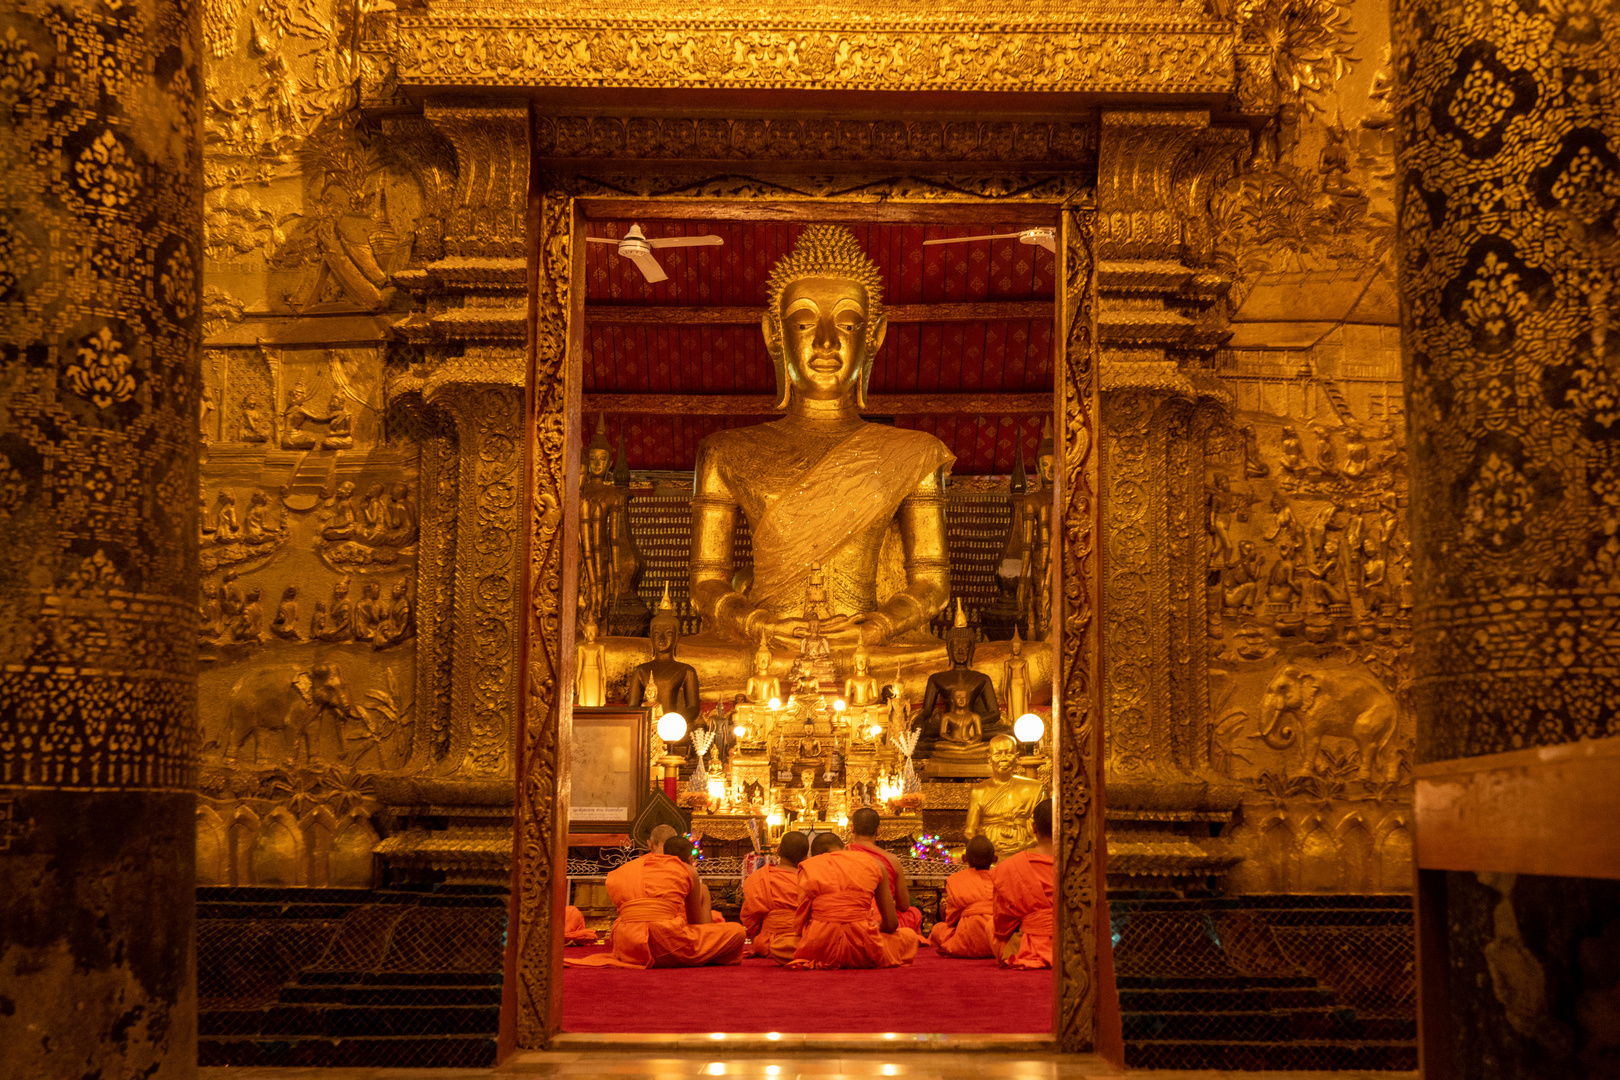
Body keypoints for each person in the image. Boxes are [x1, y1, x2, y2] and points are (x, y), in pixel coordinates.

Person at [563, 827, 744, 969]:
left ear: (650, 845)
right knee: (737, 931)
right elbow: (698, 924)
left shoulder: (629, 868)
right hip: (669, 942)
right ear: (690, 857)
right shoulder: (688, 870)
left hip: (628, 946)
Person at [776, 832, 918, 969]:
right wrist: (876, 927)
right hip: (865, 945)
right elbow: (892, 924)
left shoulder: (810, 866)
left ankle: (820, 953)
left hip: (821, 947)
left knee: (777, 945)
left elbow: (802, 922)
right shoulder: (875, 864)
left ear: (815, 856)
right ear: (845, 848)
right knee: (909, 937)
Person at [991, 798, 1055, 969]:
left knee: (989, 926)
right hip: (1077, 943)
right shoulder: (1083, 862)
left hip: (1029, 943)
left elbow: (1001, 922)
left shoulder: (1011, 866)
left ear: (1033, 827)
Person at [846, 807, 922, 934]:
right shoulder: (892, 859)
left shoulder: (841, 854)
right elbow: (903, 905)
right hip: (882, 919)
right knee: (913, 913)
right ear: (878, 831)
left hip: (850, 919)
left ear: (852, 828)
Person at [740, 831, 807, 957]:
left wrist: (759, 935)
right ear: (805, 857)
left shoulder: (759, 878)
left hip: (768, 943)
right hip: (801, 942)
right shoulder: (809, 879)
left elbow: (749, 918)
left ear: (778, 851)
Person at [928, 836, 997, 958]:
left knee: (938, 930)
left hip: (966, 943)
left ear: (964, 858)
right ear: (994, 859)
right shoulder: (1002, 878)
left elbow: (950, 919)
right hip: (997, 941)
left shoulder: (957, 880)